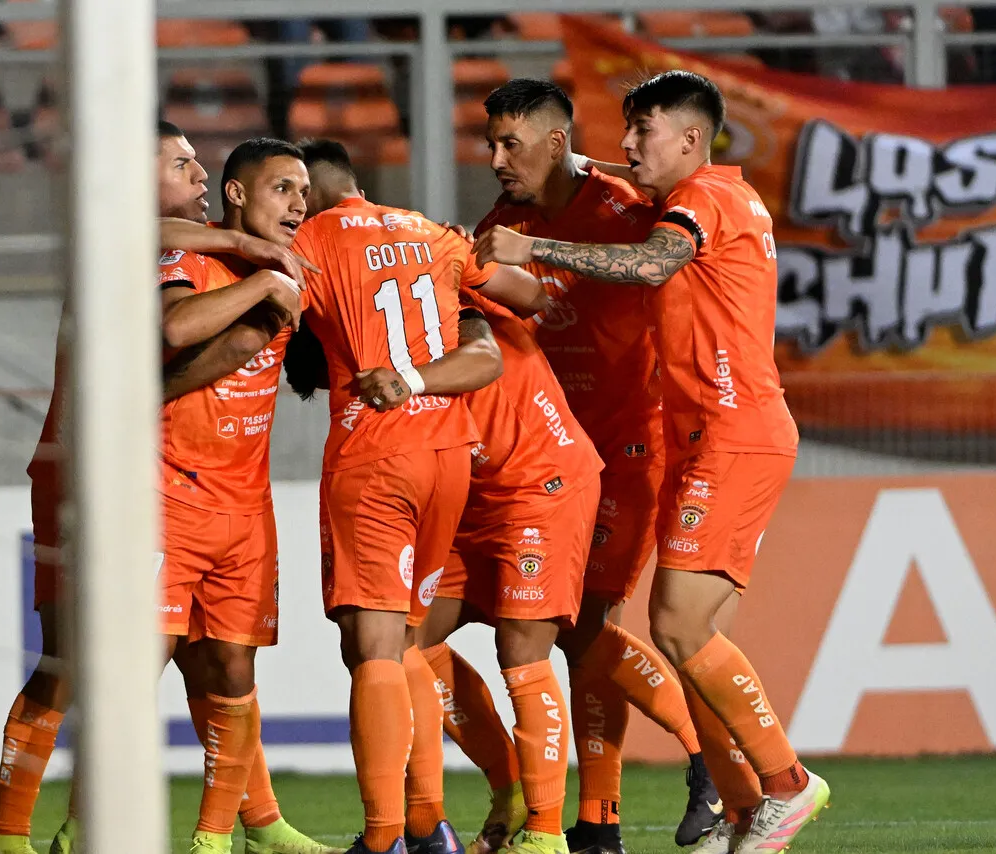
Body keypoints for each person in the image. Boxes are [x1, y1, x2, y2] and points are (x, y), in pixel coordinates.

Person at [473, 70, 829, 854]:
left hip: (718, 435)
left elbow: (649, 264)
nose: (628, 145)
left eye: (643, 131)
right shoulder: (678, 195)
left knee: (663, 624)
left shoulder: (701, 199)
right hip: (701, 437)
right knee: (692, 642)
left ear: (692, 139)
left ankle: (785, 784)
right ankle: (742, 806)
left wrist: (534, 244)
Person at [0, 125, 331, 854]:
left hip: (226, 499)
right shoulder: (135, 245)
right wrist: (255, 271)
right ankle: (34, 833)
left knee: (222, 663)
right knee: (85, 662)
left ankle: (255, 822)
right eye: (182, 162)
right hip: (98, 475)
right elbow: (170, 324)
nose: (199, 172)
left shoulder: (200, 247)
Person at [424, 79, 720, 854]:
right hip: (547, 459)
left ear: (556, 143)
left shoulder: (627, 201)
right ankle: (597, 824)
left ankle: (705, 759)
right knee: (570, 634)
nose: (494, 159)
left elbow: (666, 258)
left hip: (631, 447)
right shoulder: (500, 223)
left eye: (509, 144)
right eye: (489, 144)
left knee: (585, 627)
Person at [284, 138, 537, 854]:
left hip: (376, 454)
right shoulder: (429, 229)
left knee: (371, 648)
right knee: (405, 646)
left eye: (291, 193)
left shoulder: (311, 238)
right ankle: (430, 827)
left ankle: (385, 836)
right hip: (448, 454)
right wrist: (470, 298)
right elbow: (528, 292)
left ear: (309, 191)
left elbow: (273, 314)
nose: (289, 206)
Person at [413, 267, 605, 854]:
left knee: (524, 653)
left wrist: (484, 259)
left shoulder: (451, 274)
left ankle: (545, 833)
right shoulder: (377, 306)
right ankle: (510, 790)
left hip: (537, 484)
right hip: (469, 493)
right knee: (405, 643)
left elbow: (536, 295)